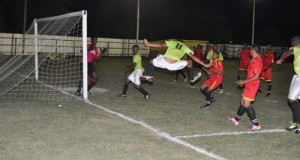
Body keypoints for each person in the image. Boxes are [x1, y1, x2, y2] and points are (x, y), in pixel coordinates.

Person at [227, 44, 263, 131]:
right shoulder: (254, 59)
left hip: (252, 85)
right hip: (249, 84)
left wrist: (243, 81)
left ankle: (256, 125)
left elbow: (256, 76)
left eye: (250, 50)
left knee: (246, 104)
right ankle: (236, 119)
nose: (249, 51)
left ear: (253, 51)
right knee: (242, 102)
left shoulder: (257, 61)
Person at [141, 39, 209, 83]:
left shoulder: (172, 42)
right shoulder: (184, 47)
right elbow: (193, 57)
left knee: (151, 61)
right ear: (182, 43)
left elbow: (161, 45)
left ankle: (149, 75)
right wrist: (204, 64)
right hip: (175, 65)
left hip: (164, 62)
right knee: (190, 62)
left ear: (176, 41)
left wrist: (148, 44)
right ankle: (192, 78)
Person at [276, 36, 300, 134]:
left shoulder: (297, 48)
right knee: (297, 100)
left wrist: (281, 59)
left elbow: (289, 52)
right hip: (297, 76)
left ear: (295, 42)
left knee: (291, 100)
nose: (291, 44)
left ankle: (296, 122)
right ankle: (297, 123)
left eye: (291, 42)